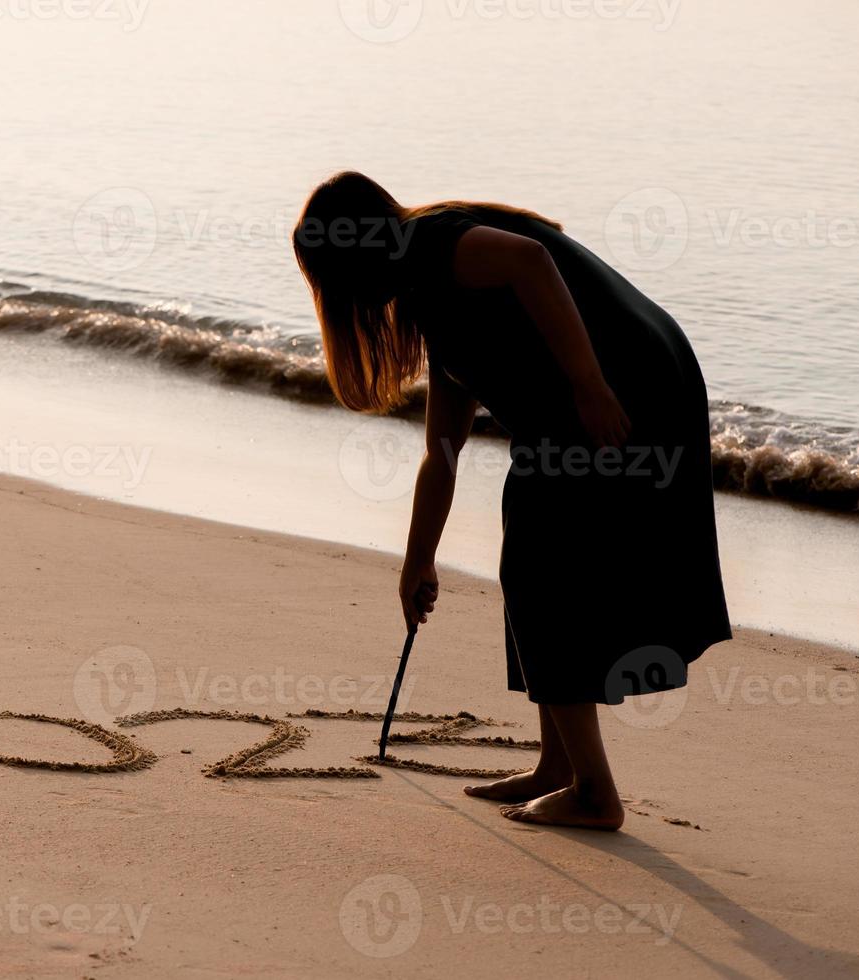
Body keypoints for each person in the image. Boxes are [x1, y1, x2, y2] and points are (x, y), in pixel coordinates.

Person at [293, 172, 731, 830]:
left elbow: (532, 260)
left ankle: (593, 793)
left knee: (540, 565)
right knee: (533, 557)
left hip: (627, 379)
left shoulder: (435, 244)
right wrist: (418, 563)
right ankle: (558, 766)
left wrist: (587, 383)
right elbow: (441, 458)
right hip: (609, 387)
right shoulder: (434, 310)